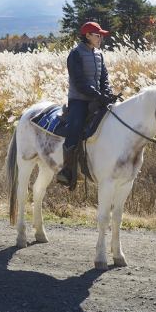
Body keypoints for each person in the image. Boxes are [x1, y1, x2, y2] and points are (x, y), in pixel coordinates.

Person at [56, 21, 114, 190]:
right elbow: (79, 81)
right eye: (98, 35)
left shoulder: (99, 54)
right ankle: (66, 170)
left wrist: (107, 92)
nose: (100, 38)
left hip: (97, 99)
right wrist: (97, 95)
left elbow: (104, 78)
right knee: (75, 127)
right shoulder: (75, 54)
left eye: (101, 35)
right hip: (79, 100)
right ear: (87, 35)